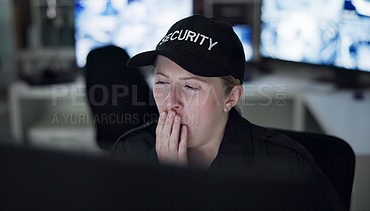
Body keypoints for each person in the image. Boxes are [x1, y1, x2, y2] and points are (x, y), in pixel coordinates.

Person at [111, 15, 345, 209]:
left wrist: (180, 186)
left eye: (191, 87)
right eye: (162, 83)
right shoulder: (131, 151)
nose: (171, 102)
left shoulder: (288, 169)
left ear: (230, 97)